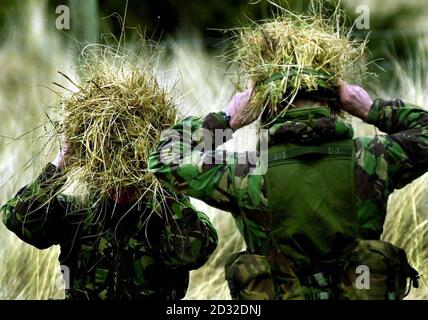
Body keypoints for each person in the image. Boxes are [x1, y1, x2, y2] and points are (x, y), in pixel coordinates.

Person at [148, 81, 428, 300]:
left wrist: (227, 119)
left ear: (267, 107)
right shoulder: (374, 157)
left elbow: (164, 160)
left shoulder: (245, 171)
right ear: (332, 101)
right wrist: (370, 108)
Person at [1, 139, 218, 300]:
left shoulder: (169, 217)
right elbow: (17, 218)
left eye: (130, 171)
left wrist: (167, 180)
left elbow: (192, 253)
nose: (119, 182)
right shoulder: (77, 212)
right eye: (108, 169)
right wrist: (61, 163)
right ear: (96, 170)